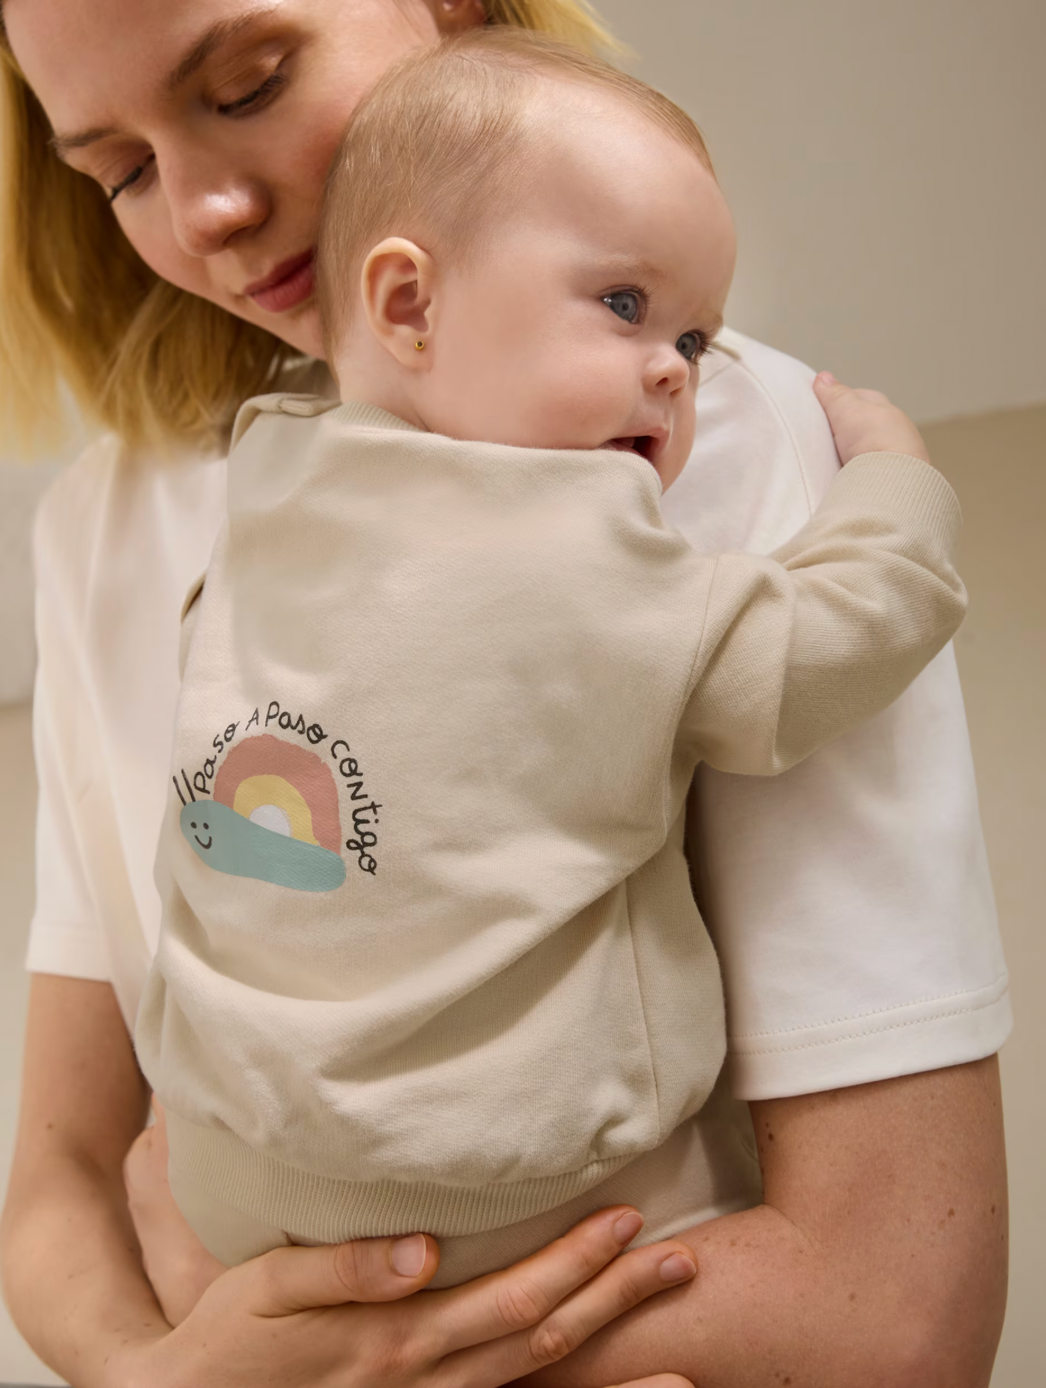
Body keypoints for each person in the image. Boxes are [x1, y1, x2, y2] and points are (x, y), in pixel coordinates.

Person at [0, 2, 1009, 1386]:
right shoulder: (106, 525)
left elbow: (896, 1311)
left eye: (250, 83)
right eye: (115, 168)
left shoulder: (728, 458)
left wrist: (308, 1347)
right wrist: (153, 1376)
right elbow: (60, 1181)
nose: (204, 211)